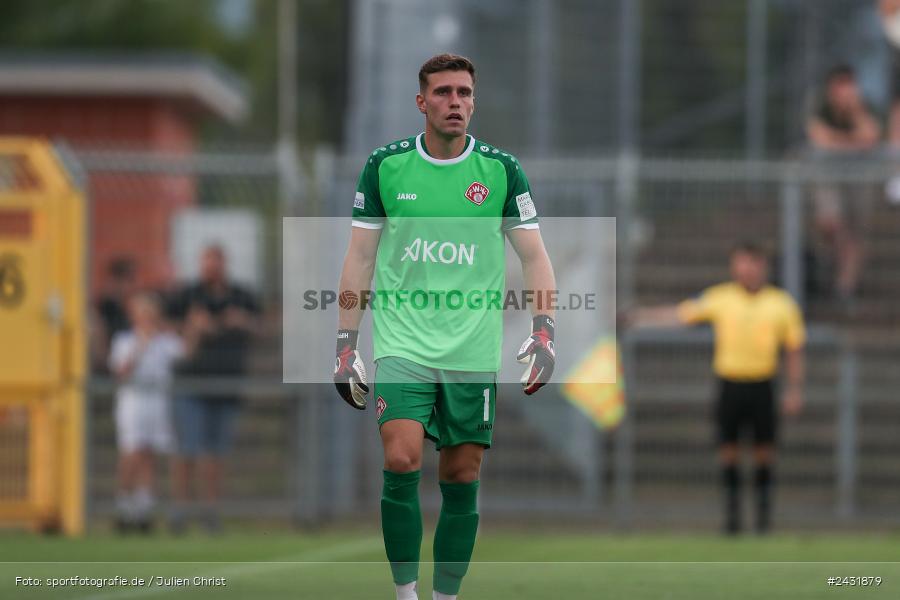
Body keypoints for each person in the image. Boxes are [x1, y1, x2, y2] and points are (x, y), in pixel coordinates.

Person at [332, 54, 557, 600]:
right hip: (402, 343)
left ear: (474, 101)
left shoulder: (501, 172)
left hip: (471, 350)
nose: (455, 102)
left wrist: (544, 328)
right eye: (443, 93)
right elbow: (360, 258)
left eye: (463, 93)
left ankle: (445, 595)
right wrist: (346, 344)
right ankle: (406, 594)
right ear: (422, 102)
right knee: (401, 457)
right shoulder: (385, 167)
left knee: (460, 477)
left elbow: (534, 257)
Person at [625, 242, 806, 534]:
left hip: (763, 386)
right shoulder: (721, 298)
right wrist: (641, 317)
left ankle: (763, 522)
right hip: (730, 385)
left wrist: (794, 389)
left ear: (762, 266)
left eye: (752, 263)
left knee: (764, 454)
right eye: (741, 263)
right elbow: (681, 315)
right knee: (728, 452)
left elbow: (794, 349)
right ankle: (732, 522)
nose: (746, 269)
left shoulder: (781, 303)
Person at [166, 244, 260, 534]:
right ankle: (181, 510)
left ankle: (210, 511)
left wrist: (243, 322)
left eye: (217, 261)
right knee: (187, 450)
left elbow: (262, 328)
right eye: (207, 261)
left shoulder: (241, 296)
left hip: (227, 384)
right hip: (191, 383)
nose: (212, 267)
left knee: (216, 453)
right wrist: (194, 328)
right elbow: (167, 332)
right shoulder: (187, 295)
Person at [805, 64, 881, 309]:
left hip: (859, 179)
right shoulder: (819, 105)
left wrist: (855, 111)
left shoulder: (864, 105)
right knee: (831, 223)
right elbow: (820, 138)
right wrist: (853, 143)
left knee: (856, 234)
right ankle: (832, 265)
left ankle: (845, 285)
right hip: (829, 175)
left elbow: (871, 136)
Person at [109, 292, 183, 532]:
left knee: (150, 453)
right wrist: (140, 347)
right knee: (132, 452)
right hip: (133, 402)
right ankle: (123, 504)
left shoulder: (165, 341)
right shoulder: (124, 341)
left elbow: (186, 353)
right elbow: (122, 372)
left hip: (157, 401)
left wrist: (192, 328)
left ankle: (144, 510)